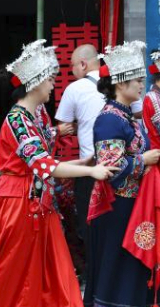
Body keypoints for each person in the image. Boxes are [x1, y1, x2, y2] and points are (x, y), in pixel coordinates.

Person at [0, 40, 118, 307]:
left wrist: (84, 163)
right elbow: (45, 165)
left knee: (50, 271)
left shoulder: (37, 116)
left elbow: (45, 162)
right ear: (35, 82)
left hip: (38, 202)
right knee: (15, 274)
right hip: (18, 205)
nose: (53, 84)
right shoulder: (17, 120)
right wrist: (90, 170)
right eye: (50, 79)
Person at [84, 41, 160, 307]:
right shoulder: (110, 119)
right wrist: (142, 160)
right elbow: (109, 169)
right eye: (137, 79)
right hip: (119, 207)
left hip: (134, 204)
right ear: (121, 84)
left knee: (135, 270)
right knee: (122, 272)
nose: (141, 84)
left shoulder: (124, 117)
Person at [54, 43, 105, 263]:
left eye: (73, 65)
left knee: (89, 224)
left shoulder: (75, 89)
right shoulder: (119, 84)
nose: (72, 70)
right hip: (120, 167)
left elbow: (63, 125)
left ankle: (93, 274)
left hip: (89, 168)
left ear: (83, 64)